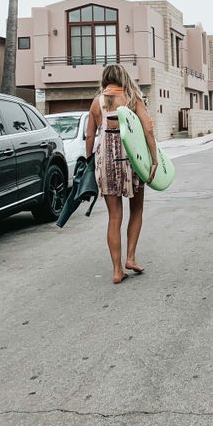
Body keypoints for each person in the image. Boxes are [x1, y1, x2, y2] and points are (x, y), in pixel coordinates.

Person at [85, 64, 157, 284]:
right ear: (123, 78)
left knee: (114, 216)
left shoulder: (97, 102)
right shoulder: (132, 98)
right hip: (132, 161)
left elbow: (89, 137)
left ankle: (117, 270)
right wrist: (154, 160)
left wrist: (89, 159)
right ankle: (131, 258)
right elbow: (148, 129)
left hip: (106, 161)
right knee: (137, 210)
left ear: (105, 79)